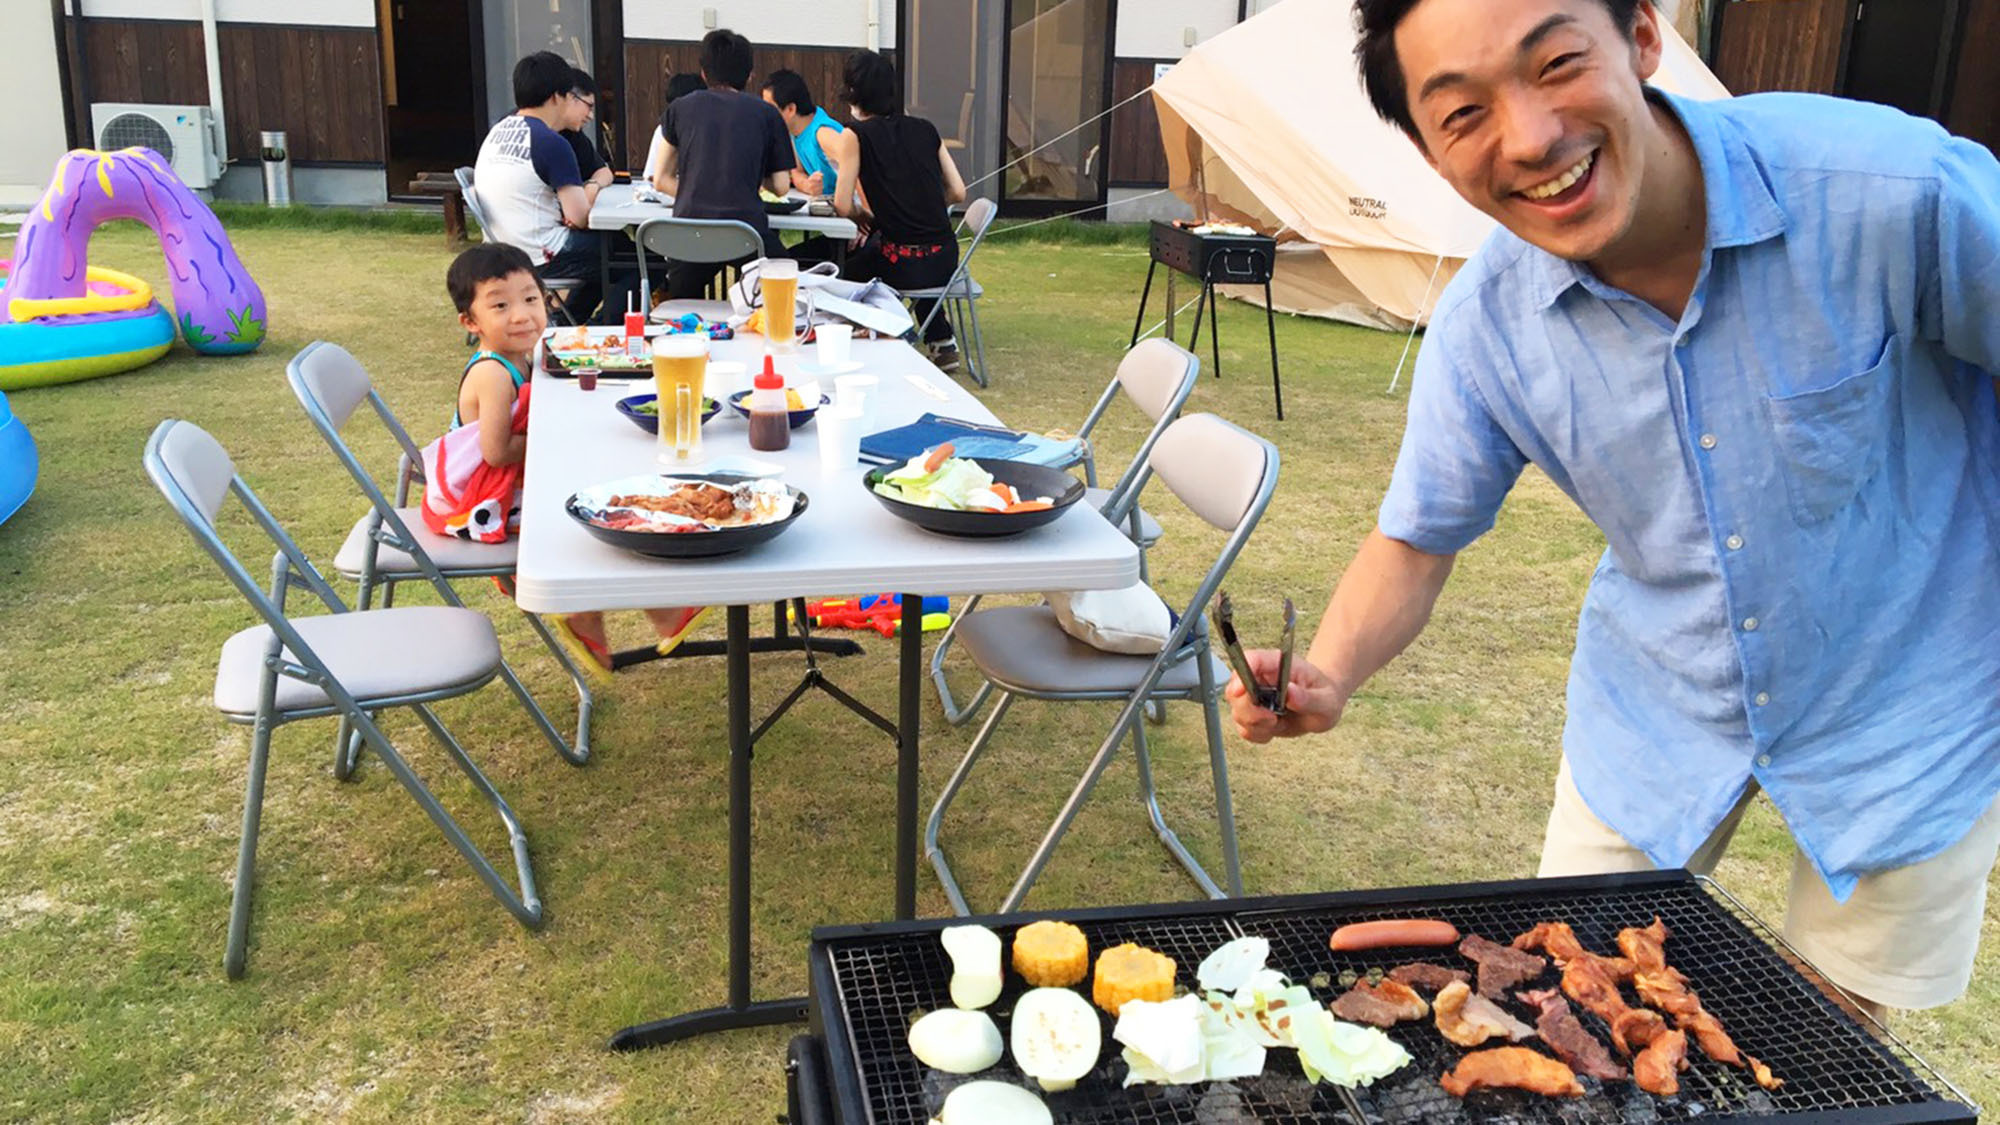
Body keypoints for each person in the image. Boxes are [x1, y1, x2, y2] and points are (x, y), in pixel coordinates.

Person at [1228, 0, 2000, 1021]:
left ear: (1640, 37)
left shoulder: (1886, 192)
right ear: (1426, 151)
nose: (1530, 137)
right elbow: (1416, 538)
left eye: (1554, 64)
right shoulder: (1488, 327)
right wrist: (1325, 673)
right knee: (1574, 994)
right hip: (1654, 708)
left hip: (1907, 707)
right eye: (1460, 114)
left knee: (1835, 1034)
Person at [421, 243, 706, 679]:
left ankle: (644, 605)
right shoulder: (493, 373)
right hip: (486, 498)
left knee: (609, 478)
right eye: (500, 305)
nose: (521, 315)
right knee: (603, 507)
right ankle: (591, 607)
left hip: (511, 480)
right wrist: (557, 441)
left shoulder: (523, 356)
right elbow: (496, 452)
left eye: (531, 299)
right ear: (470, 321)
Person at [827, 50, 969, 372]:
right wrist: (922, 207)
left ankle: (883, 336)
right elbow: (959, 192)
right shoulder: (926, 129)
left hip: (900, 261)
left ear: (852, 93)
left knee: (843, 272)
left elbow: (842, 204)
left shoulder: (854, 135)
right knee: (907, 246)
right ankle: (941, 338)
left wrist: (865, 218)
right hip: (945, 259)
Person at [472, 51, 638, 325]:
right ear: (556, 97)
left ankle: (564, 321)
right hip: (541, 252)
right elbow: (579, 217)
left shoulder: (499, 130)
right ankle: (598, 330)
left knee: (611, 251)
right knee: (641, 261)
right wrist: (592, 191)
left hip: (503, 243)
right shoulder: (551, 143)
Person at [651, 29, 795, 299]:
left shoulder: (679, 108)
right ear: (749, 75)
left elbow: (660, 179)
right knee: (783, 289)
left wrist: (696, 189)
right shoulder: (766, 114)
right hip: (746, 233)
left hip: (689, 233)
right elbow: (781, 186)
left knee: (681, 303)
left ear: (704, 72)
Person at [761, 68, 845, 196]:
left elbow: (858, 164)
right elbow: (796, 172)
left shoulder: (823, 133)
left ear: (790, 109)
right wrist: (807, 185)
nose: (764, 114)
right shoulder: (794, 131)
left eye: (769, 109)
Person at [560, 67, 615, 193]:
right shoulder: (538, 135)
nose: (591, 116)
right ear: (570, 98)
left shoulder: (572, 133)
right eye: (589, 106)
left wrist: (592, 185)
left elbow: (603, 171)